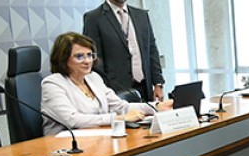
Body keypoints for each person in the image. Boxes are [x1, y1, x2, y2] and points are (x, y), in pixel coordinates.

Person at [40, 32, 169, 136]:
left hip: (98, 139)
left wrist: (156, 106)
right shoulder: (52, 84)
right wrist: (119, 118)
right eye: (79, 56)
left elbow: (120, 107)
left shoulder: (93, 78)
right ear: (63, 58)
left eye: (90, 55)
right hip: (65, 146)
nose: (87, 61)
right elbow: (73, 120)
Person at [82, 0, 166, 103]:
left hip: (145, 89)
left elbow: (152, 50)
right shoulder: (94, 18)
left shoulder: (141, 16)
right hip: (116, 92)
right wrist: (104, 92)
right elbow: (95, 60)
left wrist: (158, 83)